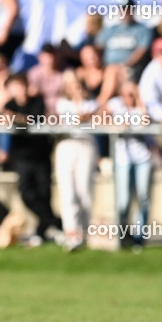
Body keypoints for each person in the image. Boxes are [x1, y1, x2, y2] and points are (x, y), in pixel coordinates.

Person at [2, 73, 61, 246]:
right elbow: (2, 118)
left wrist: (14, 117)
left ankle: (42, 232)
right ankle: (56, 222)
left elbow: (33, 119)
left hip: (40, 154)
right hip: (22, 156)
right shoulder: (9, 104)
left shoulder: (37, 101)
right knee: (26, 193)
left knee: (44, 193)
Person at [52, 70, 99, 252]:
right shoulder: (62, 103)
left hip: (86, 145)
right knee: (68, 193)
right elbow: (72, 121)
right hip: (67, 145)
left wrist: (81, 103)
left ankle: (85, 232)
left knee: (84, 192)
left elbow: (84, 117)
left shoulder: (92, 102)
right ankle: (71, 234)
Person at [107, 81, 155, 249]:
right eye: (126, 94)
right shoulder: (115, 106)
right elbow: (103, 118)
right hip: (123, 160)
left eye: (132, 94)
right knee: (123, 201)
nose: (129, 97)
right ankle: (123, 235)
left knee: (143, 197)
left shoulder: (141, 107)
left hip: (142, 157)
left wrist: (140, 100)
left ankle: (139, 238)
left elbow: (144, 122)